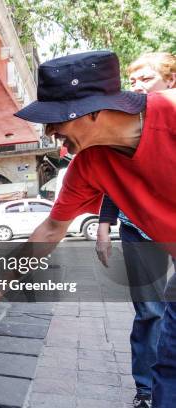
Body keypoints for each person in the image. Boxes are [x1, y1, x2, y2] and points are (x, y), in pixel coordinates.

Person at [0, 50, 175, 407]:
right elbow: (50, 230)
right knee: (168, 369)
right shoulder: (89, 163)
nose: (51, 133)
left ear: (93, 110)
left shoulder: (169, 113)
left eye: (56, 120)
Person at [95, 52, 174, 408]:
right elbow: (115, 176)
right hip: (138, 231)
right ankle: (146, 390)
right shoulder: (125, 123)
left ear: (169, 81)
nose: (137, 86)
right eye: (134, 80)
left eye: (146, 79)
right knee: (151, 311)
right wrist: (104, 222)